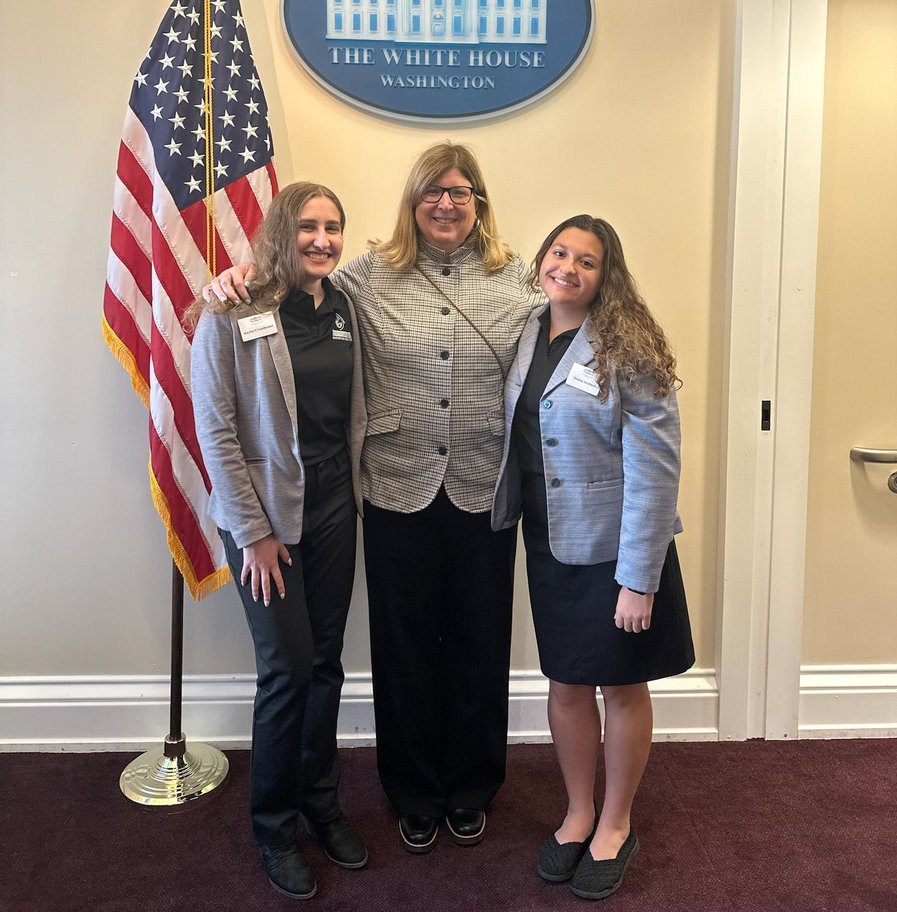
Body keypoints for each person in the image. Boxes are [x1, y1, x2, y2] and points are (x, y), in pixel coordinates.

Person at [209, 143, 540, 854]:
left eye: (461, 192)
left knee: (481, 646)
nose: (446, 205)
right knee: (404, 649)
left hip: (484, 489)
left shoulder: (517, 278)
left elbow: (567, 325)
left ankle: (473, 784)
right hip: (394, 488)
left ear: (479, 201)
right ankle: (414, 792)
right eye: (432, 193)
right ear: (411, 202)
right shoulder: (366, 276)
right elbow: (294, 276)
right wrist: (236, 275)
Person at [492, 214, 694, 901]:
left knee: (620, 684)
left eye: (587, 261)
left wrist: (640, 579)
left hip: (616, 552)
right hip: (551, 544)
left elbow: (657, 470)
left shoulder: (628, 346)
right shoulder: (528, 330)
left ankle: (616, 822)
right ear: (542, 258)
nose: (569, 268)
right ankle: (578, 813)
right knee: (567, 682)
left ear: (608, 276)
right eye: (560, 253)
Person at [190, 182, 368, 900]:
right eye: (307, 227)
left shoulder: (345, 305)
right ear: (280, 231)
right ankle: (274, 824)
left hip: (335, 506)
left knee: (326, 663)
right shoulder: (233, 308)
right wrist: (254, 533)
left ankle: (321, 801)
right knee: (287, 668)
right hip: (264, 520)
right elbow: (216, 428)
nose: (321, 240)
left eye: (333, 227)